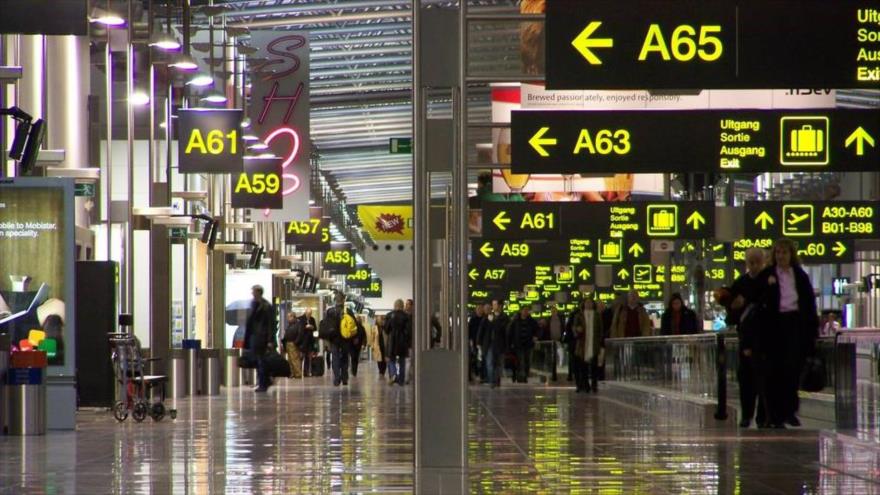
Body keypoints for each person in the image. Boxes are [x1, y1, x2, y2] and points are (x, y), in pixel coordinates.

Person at [756, 239, 819, 428]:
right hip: (774, 327)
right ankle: (774, 415)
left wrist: (811, 332)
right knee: (774, 372)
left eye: (784, 253)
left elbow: (809, 304)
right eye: (778, 253)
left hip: (794, 325)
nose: (781, 256)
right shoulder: (767, 275)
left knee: (792, 370)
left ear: (791, 255)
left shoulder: (799, 276)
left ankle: (789, 411)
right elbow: (759, 302)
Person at [243, 285, 276, 392]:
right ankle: (262, 381)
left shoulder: (266, 306)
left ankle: (263, 383)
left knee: (262, 361)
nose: (252, 293)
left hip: (262, 338)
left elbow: (271, 324)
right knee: (258, 361)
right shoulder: (254, 304)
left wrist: (270, 340)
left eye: (253, 291)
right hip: (254, 338)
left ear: (258, 292)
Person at [320, 292, 356, 386]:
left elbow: (326, 327)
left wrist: (326, 341)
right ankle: (344, 378)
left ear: (335, 300)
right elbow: (354, 327)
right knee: (344, 358)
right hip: (345, 339)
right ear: (343, 300)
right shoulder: (348, 311)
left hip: (334, 339)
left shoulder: (330, 312)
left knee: (335, 358)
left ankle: (337, 378)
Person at [572, 297, 603, 393]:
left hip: (593, 343)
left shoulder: (597, 315)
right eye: (587, 303)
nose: (588, 304)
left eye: (590, 303)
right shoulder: (579, 315)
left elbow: (600, 329)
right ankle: (585, 385)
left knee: (594, 366)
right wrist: (577, 330)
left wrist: (599, 341)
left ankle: (594, 385)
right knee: (583, 367)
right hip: (582, 344)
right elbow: (574, 327)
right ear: (583, 304)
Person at [478, 299, 509, 388]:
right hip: (489, 344)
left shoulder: (504, 318)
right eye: (493, 304)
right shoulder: (488, 317)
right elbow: (482, 329)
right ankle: (492, 381)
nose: (494, 306)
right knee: (490, 363)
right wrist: (479, 342)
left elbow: (501, 329)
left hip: (500, 344)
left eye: (495, 304)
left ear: (500, 306)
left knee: (499, 364)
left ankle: (496, 380)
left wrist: (493, 321)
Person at [508, 306, 538, 383]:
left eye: (527, 310)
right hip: (519, 345)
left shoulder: (531, 321)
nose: (525, 312)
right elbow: (510, 332)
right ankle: (521, 377)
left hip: (528, 344)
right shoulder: (515, 321)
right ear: (521, 311)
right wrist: (510, 343)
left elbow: (538, 329)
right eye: (524, 310)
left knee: (528, 361)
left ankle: (525, 375)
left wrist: (535, 336)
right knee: (521, 361)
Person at [384, 299, 411, 385]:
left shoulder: (389, 315)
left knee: (391, 360)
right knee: (402, 361)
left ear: (394, 305)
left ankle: (393, 374)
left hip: (392, 341)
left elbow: (386, 330)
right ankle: (401, 381)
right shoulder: (406, 316)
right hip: (402, 341)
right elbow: (408, 331)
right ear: (403, 306)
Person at [281, 311, 304, 379]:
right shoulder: (290, 325)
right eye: (287, 317)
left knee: (295, 359)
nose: (288, 318)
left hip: (293, 343)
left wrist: (296, 342)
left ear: (293, 317)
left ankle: (298, 374)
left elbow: (300, 334)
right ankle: (292, 373)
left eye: (289, 317)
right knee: (290, 360)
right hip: (288, 343)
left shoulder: (298, 324)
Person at [467, 305, 485, 382]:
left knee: (481, 359)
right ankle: (473, 374)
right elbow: (469, 331)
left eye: (481, 309)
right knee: (473, 359)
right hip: (474, 342)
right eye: (478, 309)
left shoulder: (485, 319)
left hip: (483, 343)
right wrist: (470, 340)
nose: (479, 311)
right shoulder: (473, 320)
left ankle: (481, 374)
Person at [298, 309, 317, 377]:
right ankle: (298, 372)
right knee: (300, 357)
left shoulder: (312, 319)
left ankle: (306, 372)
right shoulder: (300, 319)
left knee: (308, 358)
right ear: (305, 313)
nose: (309, 315)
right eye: (308, 314)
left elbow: (315, 329)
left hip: (310, 341)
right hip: (303, 341)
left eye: (310, 314)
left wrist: (312, 327)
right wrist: (305, 327)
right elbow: (299, 329)